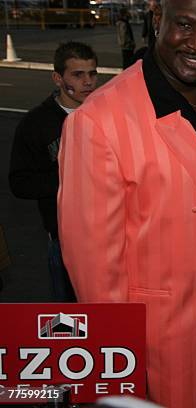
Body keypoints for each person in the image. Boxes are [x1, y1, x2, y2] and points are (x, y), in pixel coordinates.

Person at [57, 0, 196, 406]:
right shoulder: (98, 120)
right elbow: (97, 281)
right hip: (160, 360)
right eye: (184, 25)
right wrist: (121, 385)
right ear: (156, 21)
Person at [9, 41, 98, 303]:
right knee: (71, 318)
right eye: (78, 74)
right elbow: (20, 182)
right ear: (58, 78)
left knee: (112, 317)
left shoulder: (107, 113)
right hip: (65, 238)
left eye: (92, 73)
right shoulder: (36, 124)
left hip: (115, 234)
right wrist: (71, 178)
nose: (88, 82)